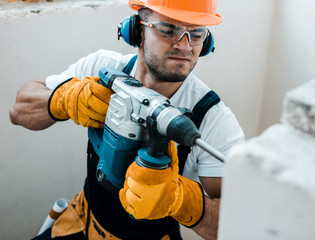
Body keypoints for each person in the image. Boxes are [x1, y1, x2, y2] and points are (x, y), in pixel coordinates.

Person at [9, 0, 244, 239]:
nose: (184, 46)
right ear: (138, 29)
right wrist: (64, 99)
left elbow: (237, 227)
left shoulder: (211, 119)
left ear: (207, 42)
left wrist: (182, 201)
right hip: (82, 221)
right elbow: (18, 111)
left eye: (196, 34)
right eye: (168, 29)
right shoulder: (102, 69)